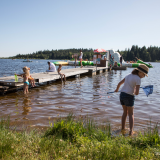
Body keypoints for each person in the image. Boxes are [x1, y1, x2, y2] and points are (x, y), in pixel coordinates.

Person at [114, 64, 149, 136]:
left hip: (122, 95)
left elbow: (119, 83)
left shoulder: (128, 75)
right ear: (140, 72)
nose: (144, 76)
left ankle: (123, 128)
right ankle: (131, 132)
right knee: (131, 114)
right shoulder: (138, 79)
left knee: (124, 112)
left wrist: (117, 89)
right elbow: (136, 93)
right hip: (129, 96)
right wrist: (135, 89)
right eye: (144, 74)